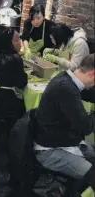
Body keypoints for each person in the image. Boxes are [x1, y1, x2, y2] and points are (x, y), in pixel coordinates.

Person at [34, 54, 95, 188]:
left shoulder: (66, 78)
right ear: (92, 74)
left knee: (92, 155)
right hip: (49, 150)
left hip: (63, 139)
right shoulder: (66, 88)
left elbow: (88, 94)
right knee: (92, 175)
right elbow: (86, 127)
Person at [0, 28, 27, 129]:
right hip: (8, 103)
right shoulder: (15, 58)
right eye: (16, 40)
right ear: (8, 42)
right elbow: (21, 83)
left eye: (20, 39)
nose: (20, 43)